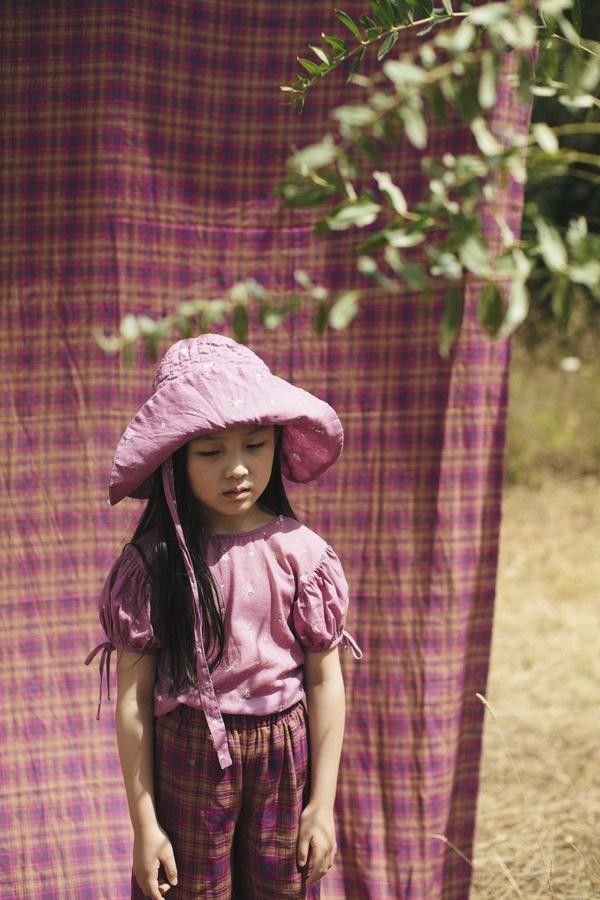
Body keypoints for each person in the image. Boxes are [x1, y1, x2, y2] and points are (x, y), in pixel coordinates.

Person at [86, 334, 361, 900]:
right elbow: (133, 700)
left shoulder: (305, 556)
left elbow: (324, 678)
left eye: (255, 445)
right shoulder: (151, 566)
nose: (237, 468)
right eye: (210, 452)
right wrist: (145, 826)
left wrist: (322, 805)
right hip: (187, 756)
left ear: (276, 443)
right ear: (175, 460)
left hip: (285, 759)